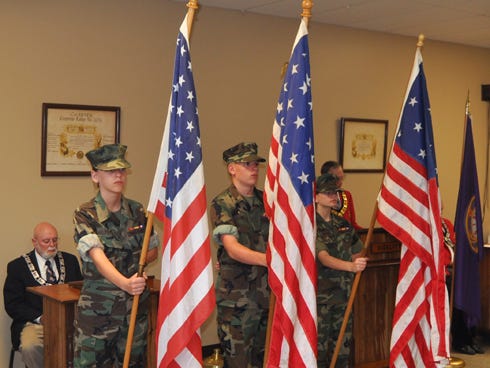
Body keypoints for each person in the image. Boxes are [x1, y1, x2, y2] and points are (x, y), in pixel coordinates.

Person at [73, 144, 159, 367]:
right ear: (95, 176)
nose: (119, 175)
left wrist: (137, 264)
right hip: (98, 313)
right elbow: (96, 256)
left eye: (122, 170)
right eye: (111, 171)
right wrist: (125, 282)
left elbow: (152, 250)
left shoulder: (138, 211)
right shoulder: (85, 214)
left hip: (133, 311)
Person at [210, 142, 270, 368]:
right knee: (238, 362)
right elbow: (232, 249)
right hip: (237, 300)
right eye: (247, 164)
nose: (254, 168)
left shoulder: (269, 201)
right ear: (232, 168)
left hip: (267, 296)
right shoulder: (223, 203)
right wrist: (269, 260)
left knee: (264, 360)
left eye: (256, 164)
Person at [3, 222, 83, 368]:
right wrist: (41, 318)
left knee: (89, 342)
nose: (52, 245)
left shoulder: (70, 261)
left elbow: (80, 293)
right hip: (34, 324)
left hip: (70, 323)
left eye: (55, 240)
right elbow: (13, 304)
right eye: (46, 241)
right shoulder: (17, 267)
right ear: (35, 242)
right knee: (30, 346)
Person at [315, 173, 368, 367]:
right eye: (328, 192)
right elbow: (323, 257)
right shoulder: (310, 225)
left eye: (335, 192)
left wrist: (358, 260)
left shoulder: (342, 224)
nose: (333, 196)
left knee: (342, 351)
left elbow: (357, 250)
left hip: (344, 296)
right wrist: (351, 266)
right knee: (320, 352)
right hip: (322, 300)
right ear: (316, 196)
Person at [442, 217, 484, 355]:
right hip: (444, 270)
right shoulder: (429, 225)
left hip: (456, 268)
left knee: (468, 284)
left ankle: (470, 337)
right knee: (456, 287)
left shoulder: (446, 223)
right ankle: (459, 340)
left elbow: (456, 243)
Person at [320, 161, 363, 230]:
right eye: (337, 179)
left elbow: (353, 224)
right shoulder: (318, 197)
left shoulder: (347, 195)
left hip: (346, 238)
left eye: (342, 178)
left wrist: (368, 233)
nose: (341, 182)